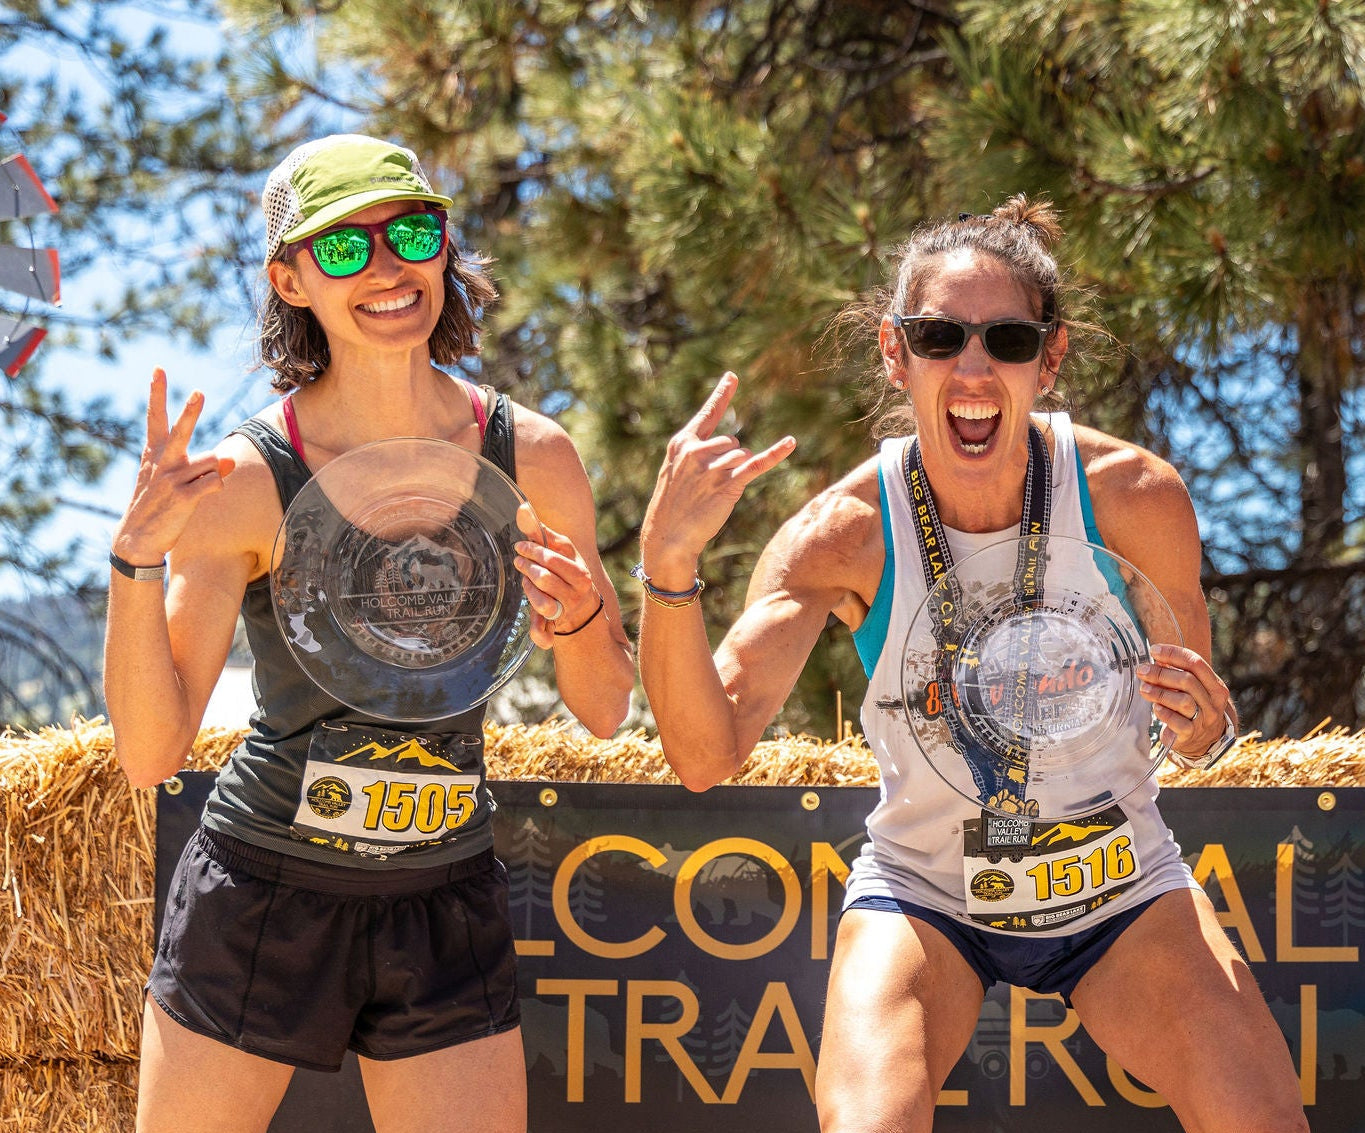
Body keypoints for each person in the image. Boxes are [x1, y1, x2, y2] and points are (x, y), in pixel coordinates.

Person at [636, 197, 1308, 1132]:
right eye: (941, 334)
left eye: (1008, 338)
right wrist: (667, 568)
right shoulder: (842, 534)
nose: (974, 366)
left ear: (1053, 353)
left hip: (1117, 885)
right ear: (893, 350)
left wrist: (1201, 724)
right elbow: (704, 754)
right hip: (926, 895)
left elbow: (1190, 732)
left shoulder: (1135, 497)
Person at [104, 133, 634, 1133]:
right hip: (264, 891)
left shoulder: (537, 456)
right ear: (291, 278)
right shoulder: (244, 479)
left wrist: (584, 615)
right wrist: (134, 561)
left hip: (445, 893)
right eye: (344, 249)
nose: (387, 268)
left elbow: (605, 708)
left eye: (412, 233)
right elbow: (149, 750)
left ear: (444, 251)